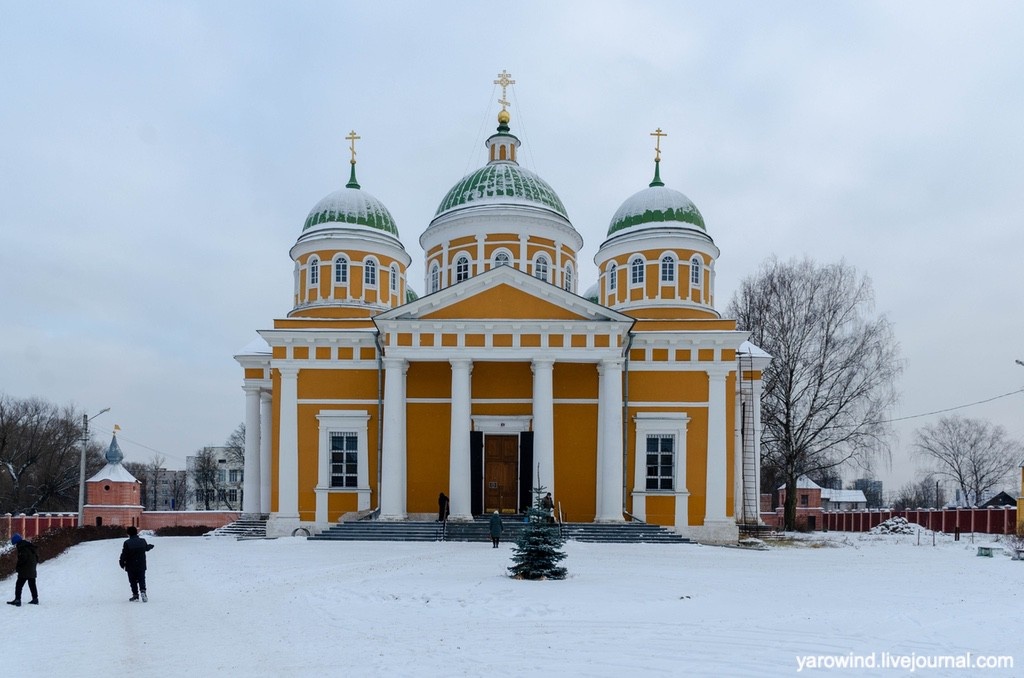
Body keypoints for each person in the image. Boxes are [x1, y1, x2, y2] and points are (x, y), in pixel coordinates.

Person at [119, 526, 155, 602]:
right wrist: (150, 546)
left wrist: (121, 562)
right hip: (141, 564)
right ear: (136, 532)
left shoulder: (127, 543)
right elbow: (146, 548)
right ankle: (143, 591)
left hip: (131, 565)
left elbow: (124, 554)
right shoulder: (142, 541)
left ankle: (135, 595)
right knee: (142, 578)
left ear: (128, 533)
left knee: (132, 580)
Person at [6, 533, 39, 607]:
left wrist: (18, 567)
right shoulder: (29, 546)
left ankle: (17, 600)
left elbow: (23, 558)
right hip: (32, 568)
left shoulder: (22, 547)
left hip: (25, 569)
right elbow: (36, 557)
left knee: (19, 585)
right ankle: (35, 599)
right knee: (32, 584)